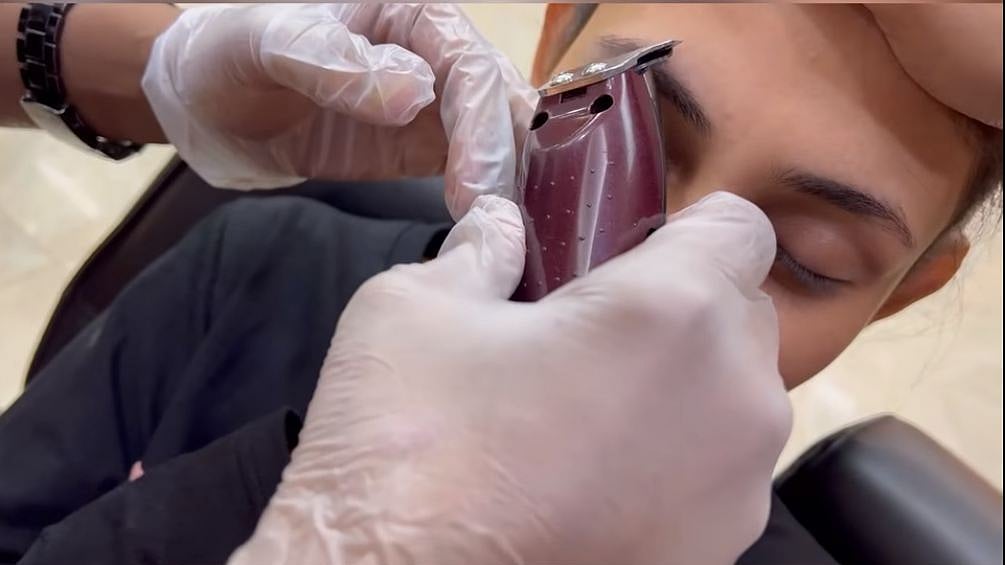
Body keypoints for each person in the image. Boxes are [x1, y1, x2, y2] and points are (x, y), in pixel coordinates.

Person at [0, 2, 1000, 564]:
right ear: (551, 47)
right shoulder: (259, 272)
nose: (654, 283)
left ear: (901, 295)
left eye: (802, 256)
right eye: (625, 142)